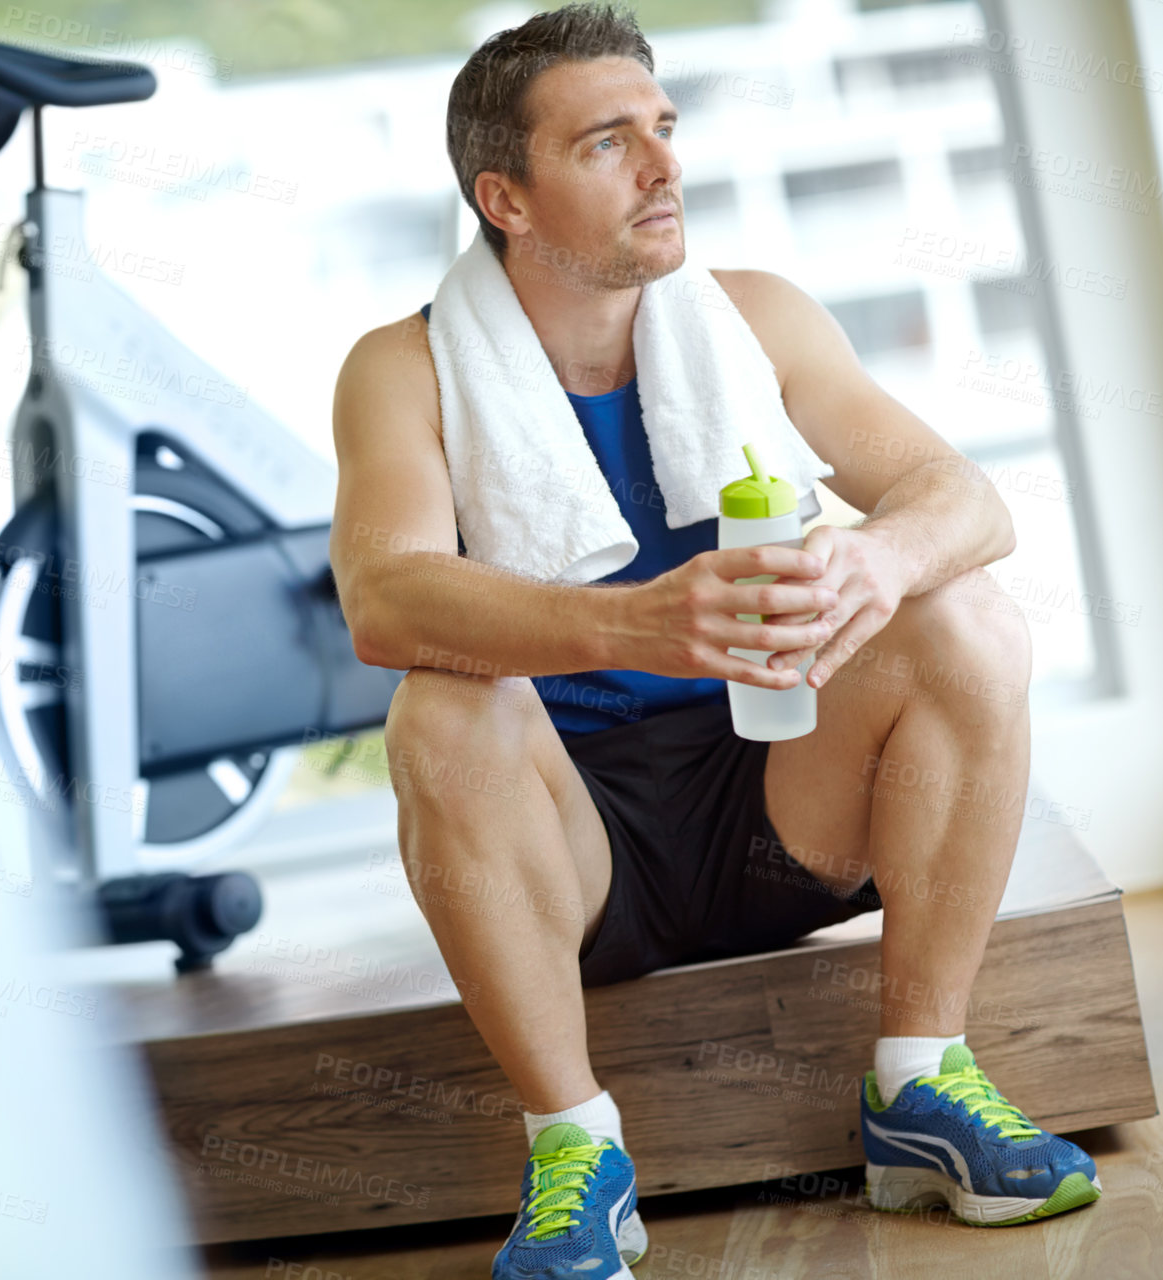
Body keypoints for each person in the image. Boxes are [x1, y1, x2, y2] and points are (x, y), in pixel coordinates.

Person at [328, 4, 1100, 1275]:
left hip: (779, 791)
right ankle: (576, 1150)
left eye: (665, 129)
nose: (664, 167)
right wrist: (628, 622)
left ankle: (920, 1089)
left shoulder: (757, 316)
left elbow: (968, 501)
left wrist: (877, 556)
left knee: (960, 610)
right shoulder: (401, 368)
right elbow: (385, 599)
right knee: (440, 705)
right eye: (607, 142)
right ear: (504, 197)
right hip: (576, 850)